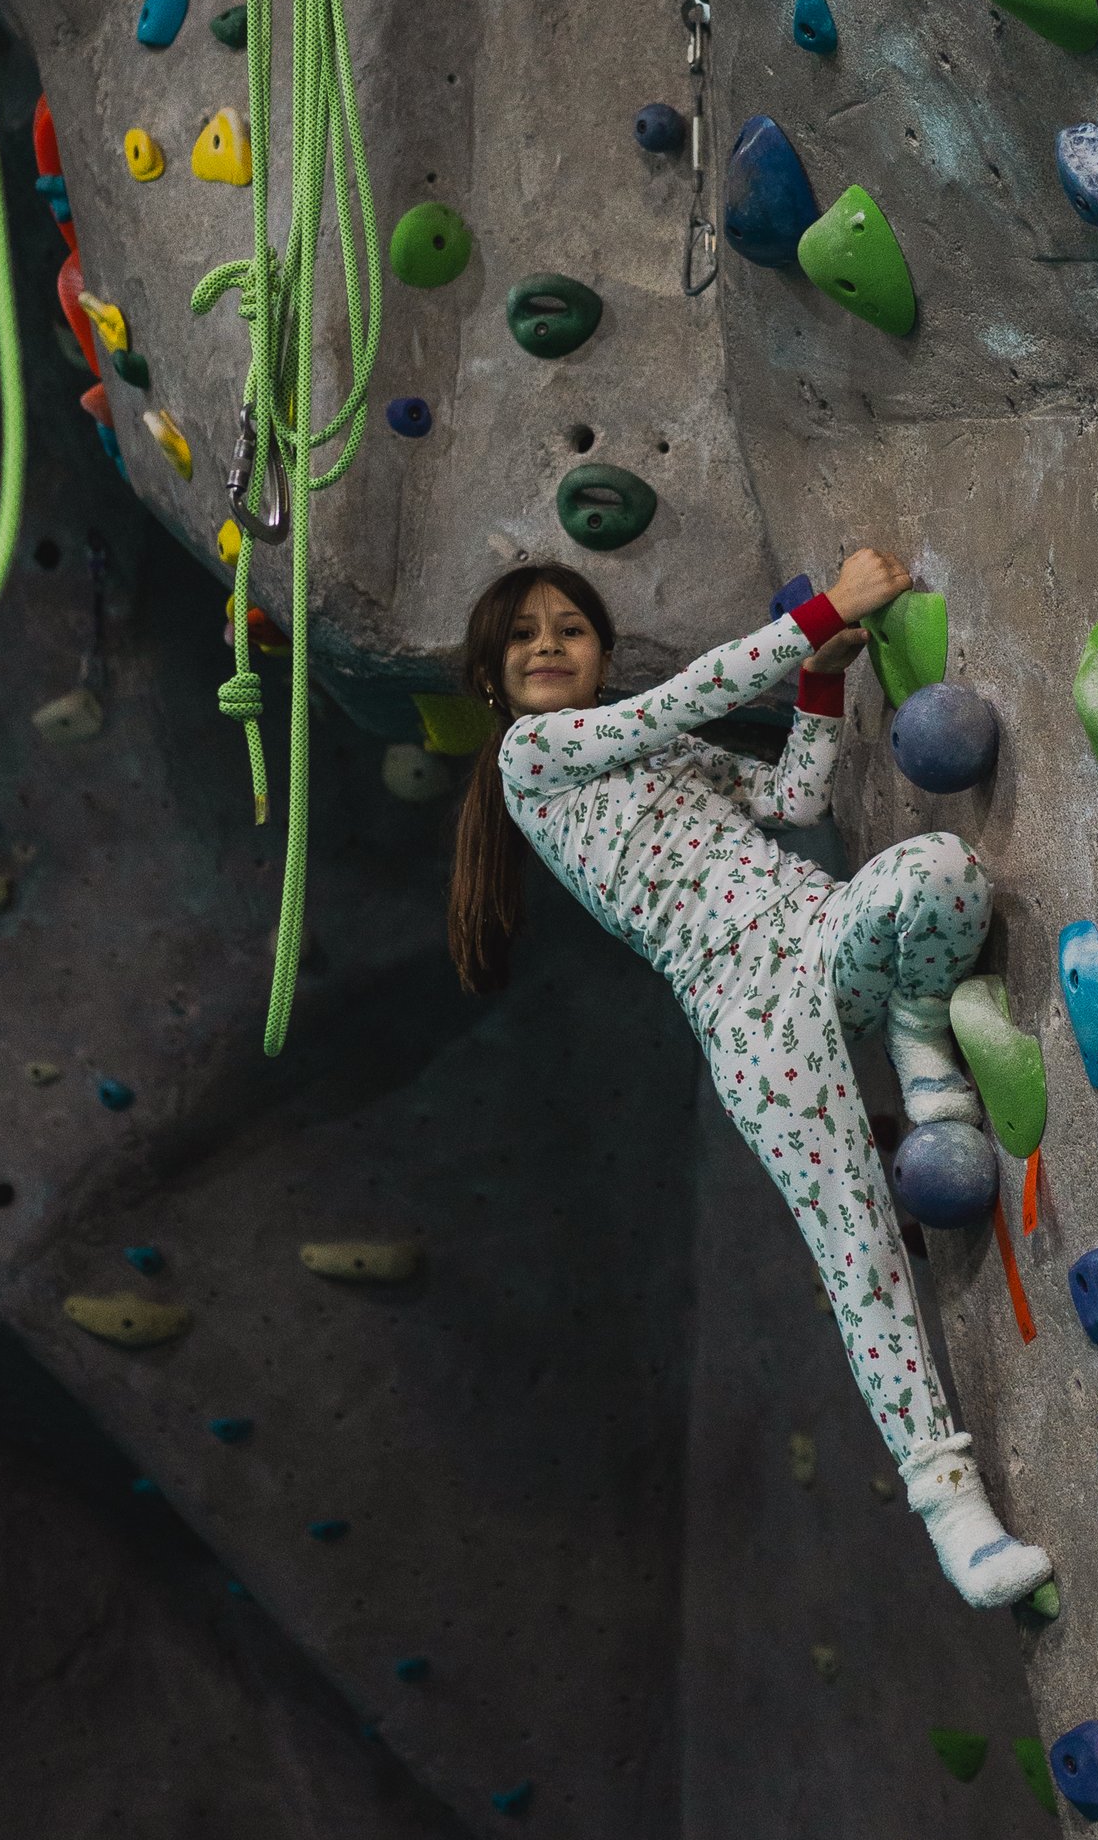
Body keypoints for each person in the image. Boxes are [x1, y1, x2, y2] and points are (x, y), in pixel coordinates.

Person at [447, 547, 1051, 1611]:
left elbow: (791, 793)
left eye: (570, 629)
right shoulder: (532, 754)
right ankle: (952, 1507)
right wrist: (823, 608)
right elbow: (687, 692)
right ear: (491, 677)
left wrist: (819, 679)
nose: (547, 645)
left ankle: (918, 1041)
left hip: (817, 934)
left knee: (944, 873)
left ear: (601, 652)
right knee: (857, 1251)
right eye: (522, 634)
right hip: (746, 1017)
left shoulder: (663, 750)